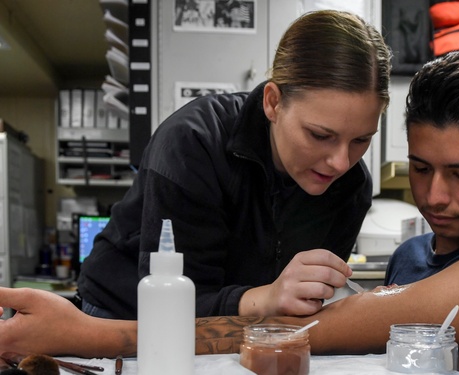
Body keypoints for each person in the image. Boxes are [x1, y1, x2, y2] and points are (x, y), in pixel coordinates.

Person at [0, 46, 459, 358]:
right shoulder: (412, 257)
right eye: (420, 168)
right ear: (272, 103)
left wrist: (83, 335)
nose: (434, 195)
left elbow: (297, 333)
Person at [76, 9, 392, 320]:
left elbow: (309, 301)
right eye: (321, 135)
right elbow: (172, 306)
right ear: (273, 102)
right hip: (122, 315)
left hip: (249, 325)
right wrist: (269, 297)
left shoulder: (352, 186)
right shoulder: (193, 143)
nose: (340, 163)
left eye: (360, 140)